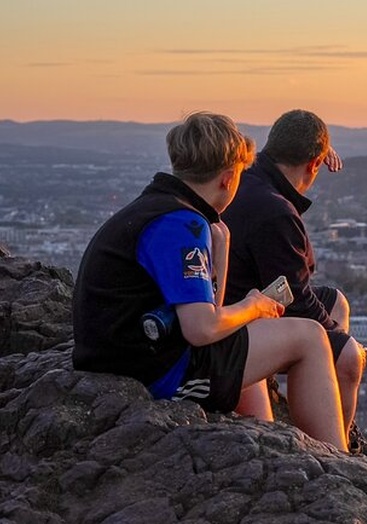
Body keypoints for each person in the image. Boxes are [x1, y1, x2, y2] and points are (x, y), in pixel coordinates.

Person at [72, 111, 347, 452]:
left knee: (241, 337)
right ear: (228, 178)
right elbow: (201, 329)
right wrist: (252, 305)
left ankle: (269, 443)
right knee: (310, 337)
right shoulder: (181, 225)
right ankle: (337, 457)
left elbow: (207, 311)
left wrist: (222, 248)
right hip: (156, 372)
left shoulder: (159, 208)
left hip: (123, 357)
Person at [222, 109, 367, 468]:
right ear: (315, 162)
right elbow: (296, 300)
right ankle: (338, 455)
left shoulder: (249, 178)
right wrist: (343, 343)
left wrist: (318, 151)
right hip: (240, 320)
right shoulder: (275, 211)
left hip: (244, 299)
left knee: (337, 302)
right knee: (349, 357)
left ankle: (336, 422)